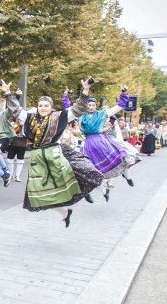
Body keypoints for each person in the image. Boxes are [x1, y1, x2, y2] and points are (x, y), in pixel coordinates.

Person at [19, 79, 104, 227]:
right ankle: (65, 212)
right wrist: (8, 94)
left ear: (51, 107)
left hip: (55, 155)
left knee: (85, 173)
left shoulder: (60, 116)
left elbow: (78, 108)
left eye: (46, 105)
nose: (43, 108)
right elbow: (15, 109)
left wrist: (85, 91)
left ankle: (89, 192)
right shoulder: (29, 118)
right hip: (38, 160)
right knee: (41, 195)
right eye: (40, 105)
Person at [76, 86, 135, 198]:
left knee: (119, 158)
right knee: (90, 169)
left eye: (93, 105)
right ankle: (98, 192)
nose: (91, 107)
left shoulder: (102, 114)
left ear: (96, 105)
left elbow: (119, 106)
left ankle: (127, 176)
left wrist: (123, 93)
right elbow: (68, 112)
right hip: (88, 145)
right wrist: (65, 98)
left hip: (102, 142)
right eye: (89, 105)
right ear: (86, 106)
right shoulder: (81, 116)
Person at [7, 116, 28, 182]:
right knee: (10, 160)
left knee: (20, 161)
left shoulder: (27, 125)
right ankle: (10, 175)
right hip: (13, 143)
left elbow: (30, 133)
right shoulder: (12, 123)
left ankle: (17, 176)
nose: (20, 120)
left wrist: (24, 125)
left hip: (22, 144)